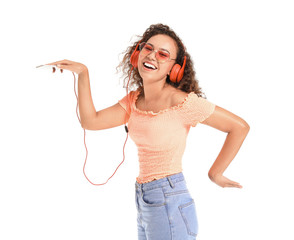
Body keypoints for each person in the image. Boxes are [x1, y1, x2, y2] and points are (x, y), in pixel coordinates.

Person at [46, 23, 250, 240]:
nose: (152, 56)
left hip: (169, 199)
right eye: (148, 48)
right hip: (145, 198)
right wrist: (82, 73)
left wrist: (215, 174)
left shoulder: (181, 102)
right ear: (137, 54)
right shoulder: (134, 100)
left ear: (175, 68)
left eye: (163, 54)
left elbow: (239, 127)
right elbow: (90, 121)